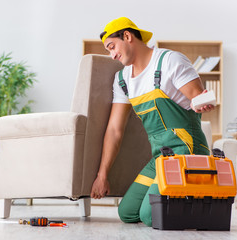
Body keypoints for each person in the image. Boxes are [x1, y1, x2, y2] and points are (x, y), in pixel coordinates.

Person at [90, 17, 214, 226]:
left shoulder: (169, 61)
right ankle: (182, 200)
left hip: (188, 152)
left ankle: (205, 204)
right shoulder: (123, 80)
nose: (112, 55)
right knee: (127, 212)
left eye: (112, 47)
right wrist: (102, 175)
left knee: (150, 216)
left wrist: (200, 102)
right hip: (161, 158)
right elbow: (114, 130)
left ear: (127, 36)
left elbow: (195, 97)